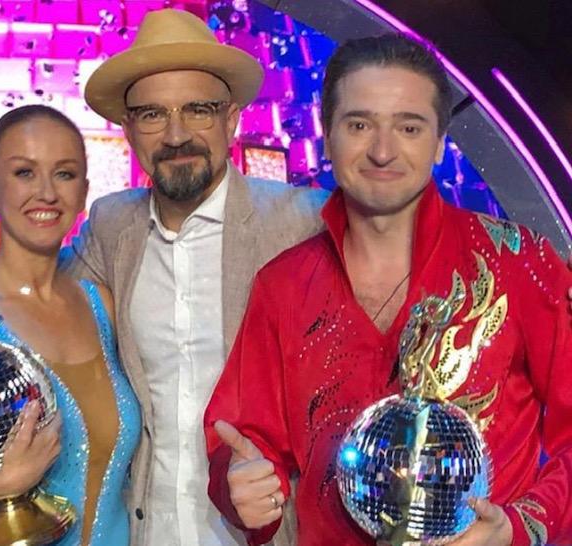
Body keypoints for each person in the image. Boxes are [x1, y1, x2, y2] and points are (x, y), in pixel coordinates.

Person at [204, 34, 572, 546]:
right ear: (327, 135)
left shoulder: (518, 262)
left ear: (439, 142)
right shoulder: (283, 285)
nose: (382, 151)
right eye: (359, 125)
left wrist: (519, 526)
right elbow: (243, 443)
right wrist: (239, 488)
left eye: (409, 127)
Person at [61, 7, 328, 546]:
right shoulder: (112, 227)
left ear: (231, 120)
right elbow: (40, 312)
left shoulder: (301, 221)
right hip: (146, 529)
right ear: (128, 129)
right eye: (152, 114)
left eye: (198, 110)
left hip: (266, 530)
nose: (176, 134)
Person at [0, 105, 141, 546]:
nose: (46, 192)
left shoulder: (100, 304)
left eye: (64, 174)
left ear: (84, 192)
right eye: (24, 173)